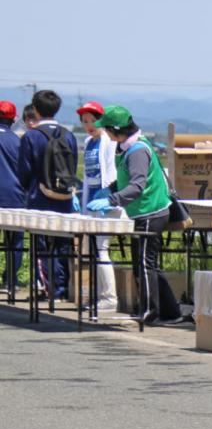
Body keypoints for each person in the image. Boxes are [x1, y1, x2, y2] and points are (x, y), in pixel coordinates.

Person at [89, 105, 184, 325]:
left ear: (116, 129)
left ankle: (149, 311)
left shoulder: (138, 150)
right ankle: (171, 312)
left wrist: (111, 200)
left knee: (144, 263)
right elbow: (125, 181)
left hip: (151, 211)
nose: (105, 133)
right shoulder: (125, 147)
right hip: (142, 212)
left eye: (107, 129)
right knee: (147, 262)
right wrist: (111, 189)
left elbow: (137, 186)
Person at [17, 90, 79, 300]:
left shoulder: (31, 137)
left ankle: (48, 289)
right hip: (64, 198)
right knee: (62, 243)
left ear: (35, 109)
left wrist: (31, 189)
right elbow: (73, 167)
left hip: (39, 196)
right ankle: (62, 289)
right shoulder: (68, 135)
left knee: (41, 245)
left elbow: (24, 172)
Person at [77, 100, 120, 311]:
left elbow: (111, 172)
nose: (89, 125)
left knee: (102, 249)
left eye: (93, 120)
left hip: (105, 201)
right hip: (92, 200)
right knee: (95, 249)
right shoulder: (87, 142)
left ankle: (109, 298)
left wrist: (109, 196)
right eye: (85, 121)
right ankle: (100, 295)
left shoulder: (107, 142)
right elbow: (87, 176)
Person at [0, 101, 25, 288]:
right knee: (15, 242)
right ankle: (11, 280)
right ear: (13, 119)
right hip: (15, 197)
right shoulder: (17, 141)